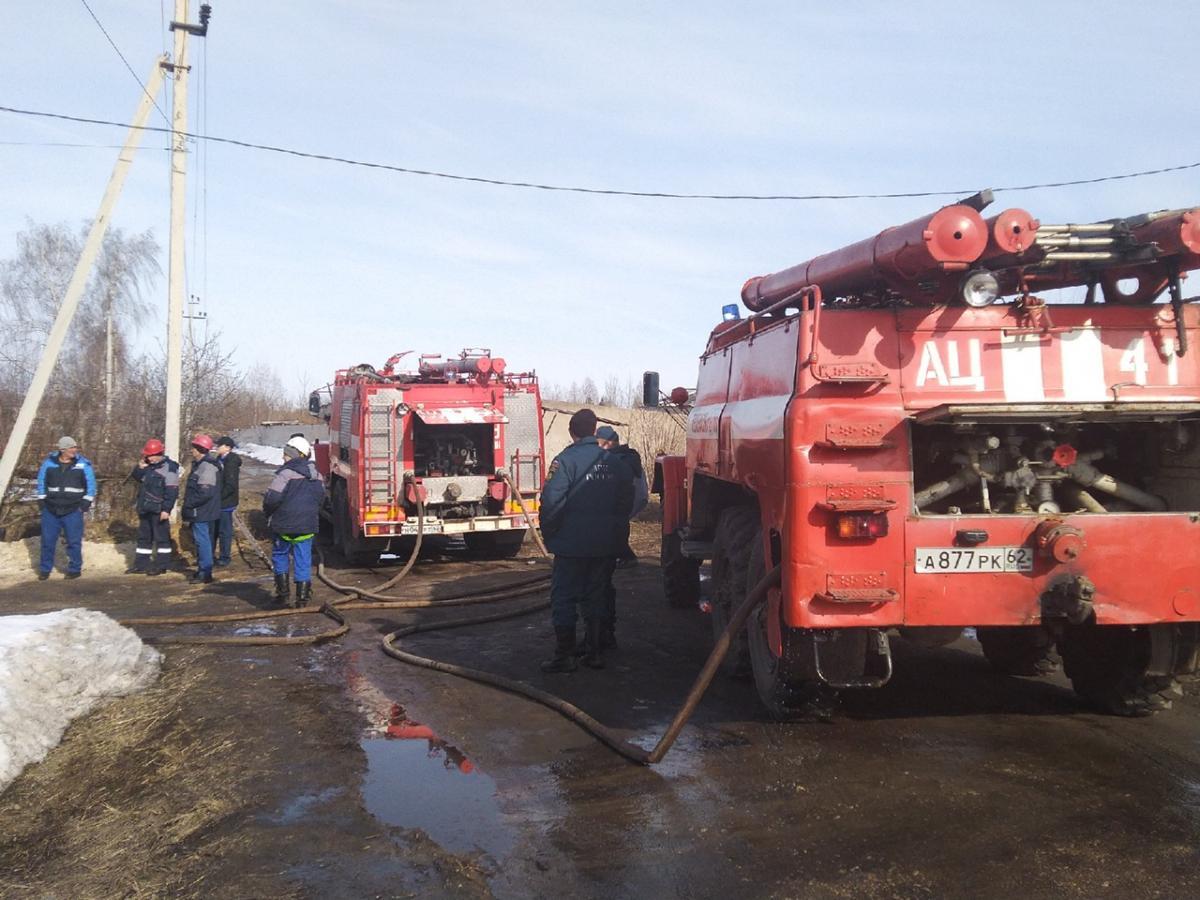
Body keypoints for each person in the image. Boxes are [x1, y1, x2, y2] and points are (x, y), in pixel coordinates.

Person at [538, 409, 633, 673]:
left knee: (564, 597)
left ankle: (564, 655)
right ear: (593, 431)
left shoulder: (565, 461)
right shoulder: (615, 463)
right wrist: (614, 532)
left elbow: (551, 503)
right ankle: (594, 652)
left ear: (572, 432)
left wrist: (551, 534)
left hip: (571, 545)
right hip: (604, 545)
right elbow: (626, 501)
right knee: (597, 595)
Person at [594, 425, 648, 649]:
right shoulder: (628, 457)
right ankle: (624, 555)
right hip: (630, 504)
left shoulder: (617, 461)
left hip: (622, 506)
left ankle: (625, 556)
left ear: (607, 442)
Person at [263, 435, 325, 607]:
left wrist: (267, 514)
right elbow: (321, 499)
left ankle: (283, 595)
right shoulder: (317, 476)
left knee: (280, 556)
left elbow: (272, 499)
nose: (283, 457)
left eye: (285, 454)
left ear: (294, 454)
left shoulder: (284, 474)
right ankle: (302, 598)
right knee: (303, 559)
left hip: (283, 525)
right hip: (306, 525)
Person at [35, 436, 96, 580]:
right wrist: (42, 501)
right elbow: (41, 482)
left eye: (75, 447)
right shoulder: (48, 464)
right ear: (62, 450)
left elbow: (91, 486)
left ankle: (75, 569)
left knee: (73, 541)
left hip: (73, 510)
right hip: (50, 509)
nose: (74, 450)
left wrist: (85, 504)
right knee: (47, 541)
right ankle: (45, 569)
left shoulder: (83, 464)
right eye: (71, 448)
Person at [129, 439, 180, 575]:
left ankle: (161, 565)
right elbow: (136, 477)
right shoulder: (148, 465)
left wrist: (166, 509)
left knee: (161, 538)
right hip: (145, 507)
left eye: (150, 455)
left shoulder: (170, 468)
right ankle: (141, 564)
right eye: (147, 455)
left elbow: (172, 491)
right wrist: (139, 467)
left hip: (159, 509)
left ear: (159, 454)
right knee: (144, 538)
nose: (148, 458)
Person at [181, 433, 222, 584]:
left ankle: (205, 572)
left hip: (202, 511)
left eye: (194, 447)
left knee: (202, 541)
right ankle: (202, 570)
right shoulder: (200, 465)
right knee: (202, 541)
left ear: (200, 449)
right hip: (201, 510)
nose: (192, 450)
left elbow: (205, 492)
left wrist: (189, 504)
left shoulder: (207, 467)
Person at [211, 436, 241, 567]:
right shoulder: (219, 460)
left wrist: (220, 497)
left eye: (220, 445)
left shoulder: (231, 461)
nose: (217, 447)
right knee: (213, 530)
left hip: (226, 502)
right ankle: (210, 555)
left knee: (224, 531)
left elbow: (230, 484)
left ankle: (225, 556)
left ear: (228, 447)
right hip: (217, 501)